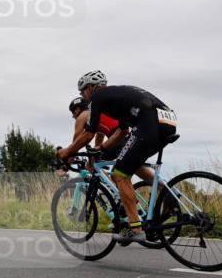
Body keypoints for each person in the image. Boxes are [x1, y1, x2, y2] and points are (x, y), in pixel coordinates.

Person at [57, 71, 177, 245]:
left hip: (148, 122)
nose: (83, 96)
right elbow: (122, 130)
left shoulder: (98, 97)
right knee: (130, 164)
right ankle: (170, 197)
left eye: (82, 92)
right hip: (168, 122)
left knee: (119, 174)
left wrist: (67, 152)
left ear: (90, 88)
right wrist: (102, 148)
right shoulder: (117, 99)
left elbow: (88, 134)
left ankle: (135, 228)